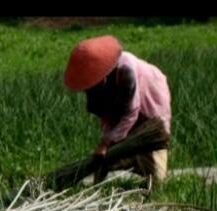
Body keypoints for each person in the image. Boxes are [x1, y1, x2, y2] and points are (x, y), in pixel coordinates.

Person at [64, 35, 172, 192]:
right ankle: (99, 183)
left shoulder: (126, 71)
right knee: (113, 150)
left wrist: (106, 143)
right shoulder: (96, 86)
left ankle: (154, 183)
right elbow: (106, 116)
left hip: (152, 97)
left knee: (154, 152)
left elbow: (131, 113)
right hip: (125, 104)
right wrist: (106, 143)